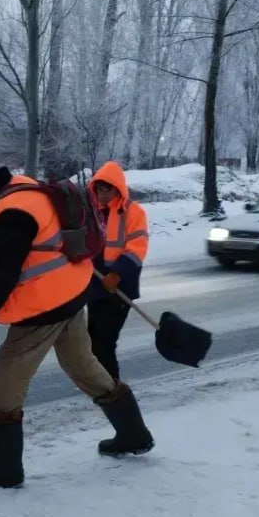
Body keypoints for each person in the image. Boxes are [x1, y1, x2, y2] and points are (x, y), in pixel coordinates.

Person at [0, 150, 154, 491]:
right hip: (72, 292)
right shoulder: (23, 188)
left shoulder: (10, 216)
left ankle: (4, 468)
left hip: (45, 304)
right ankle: (133, 434)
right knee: (82, 364)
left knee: (7, 371)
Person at [87, 161, 150, 381]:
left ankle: (113, 389)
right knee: (91, 340)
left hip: (119, 287)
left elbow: (137, 248)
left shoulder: (132, 212)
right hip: (95, 285)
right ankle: (101, 384)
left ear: (118, 188)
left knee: (104, 342)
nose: (102, 194)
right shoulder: (92, 211)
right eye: (99, 189)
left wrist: (118, 273)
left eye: (108, 189)